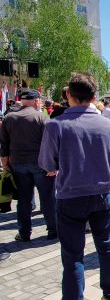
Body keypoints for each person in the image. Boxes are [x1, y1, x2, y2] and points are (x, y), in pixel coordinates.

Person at [39, 72, 110, 300]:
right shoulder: (107, 123)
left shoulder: (57, 125)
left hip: (71, 195)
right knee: (106, 248)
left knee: (73, 256)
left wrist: (57, 166)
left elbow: (46, 163)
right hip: (102, 193)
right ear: (95, 96)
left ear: (68, 96)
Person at [0, 89, 57, 241]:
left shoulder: (9, 118)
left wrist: (5, 164)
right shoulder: (42, 117)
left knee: (24, 200)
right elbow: (50, 144)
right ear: (36, 101)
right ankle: (53, 230)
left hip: (18, 164)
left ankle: (24, 233)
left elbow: (4, 144)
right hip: (41, 164)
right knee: (47, 198)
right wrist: (53, 165)